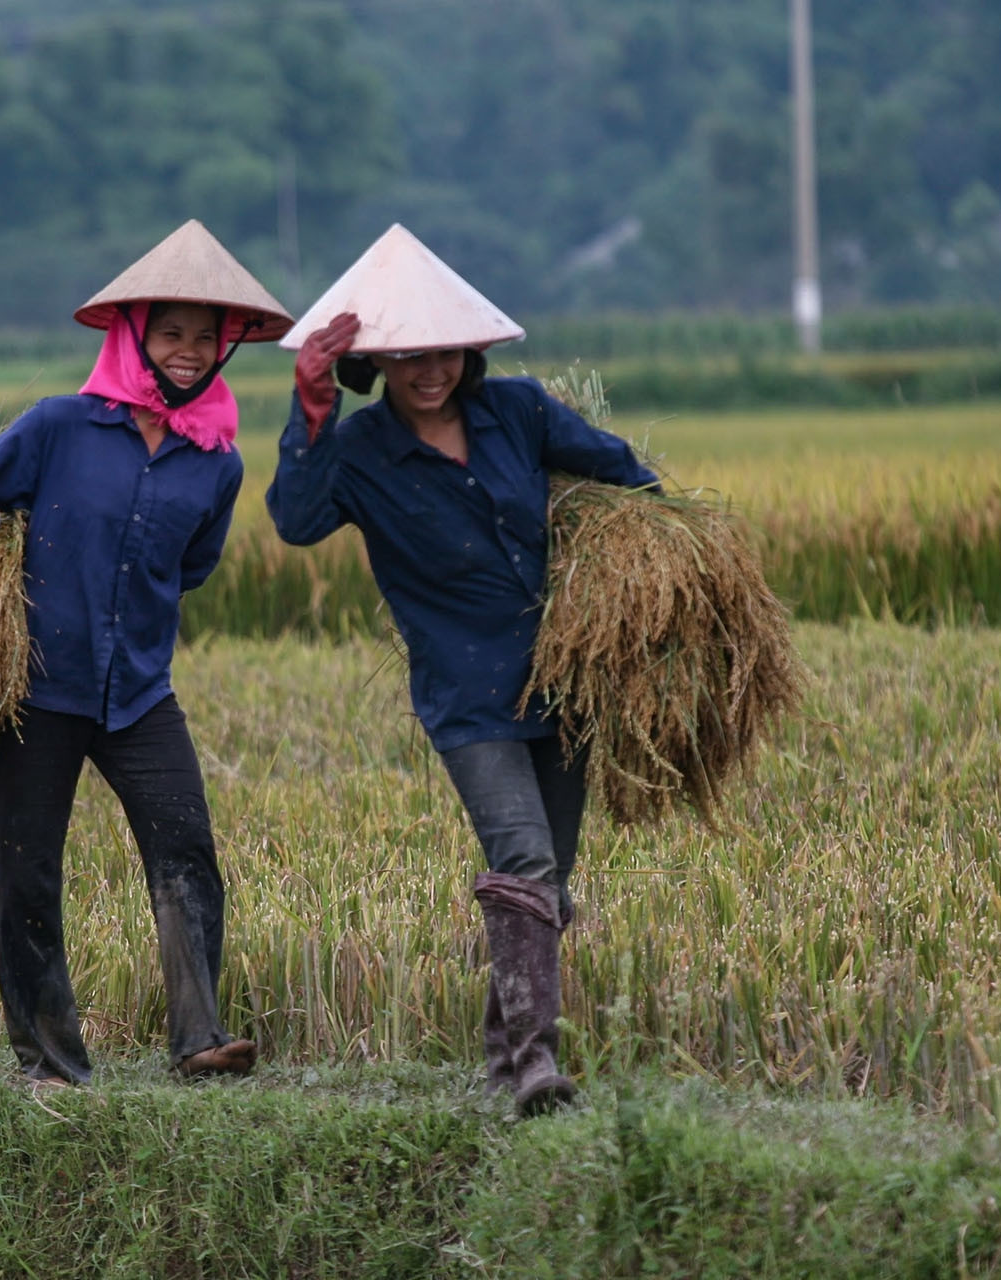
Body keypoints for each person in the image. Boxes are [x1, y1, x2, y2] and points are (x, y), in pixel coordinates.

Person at [265, 224, 658, 1115]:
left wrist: (670, 550)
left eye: (441, 352)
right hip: (467, 695)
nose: (429, 371)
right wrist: (310, 411)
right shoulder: (359, 454)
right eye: (407, 358)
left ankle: (503, 1064)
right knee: (520, 857)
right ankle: (534, 1066)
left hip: (563, 681)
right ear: (378, 364)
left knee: (546, 879)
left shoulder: (518, 413)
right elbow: (294, 519)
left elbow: (621, 471)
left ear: (466, 351)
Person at [0, 220, 293, 1085]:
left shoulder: (216, 464)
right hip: (36, 692)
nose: (189, 352)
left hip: (140, 695)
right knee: (27, 873)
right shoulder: (59, 429)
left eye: (205, 337)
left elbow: (192, 567)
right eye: (171, 334)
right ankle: (50, 1059)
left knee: (185, 849)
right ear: (135, 337)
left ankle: (199, 1040)